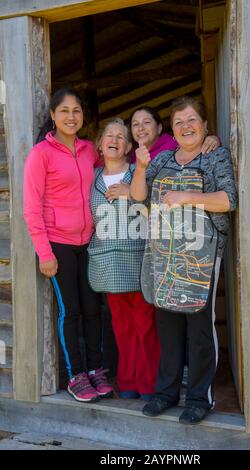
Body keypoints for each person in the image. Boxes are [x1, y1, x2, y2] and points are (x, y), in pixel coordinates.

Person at [130, 96, 238, 425]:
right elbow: (138, 195)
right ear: (172, 131)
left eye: (192, 120)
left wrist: (186, 197)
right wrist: (143, 167)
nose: (186, 126)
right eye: (179, 122)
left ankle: (199, 398)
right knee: (168, 326)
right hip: (165, 254)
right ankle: (166, 393)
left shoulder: (215, 155)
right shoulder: (162, 160)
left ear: (205, 125)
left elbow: (227, 200)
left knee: (200, 327)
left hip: (202, 255)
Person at [23, 88, 113, 403]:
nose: (71, 117)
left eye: (76, 111)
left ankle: (96, 370)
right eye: (64, 111)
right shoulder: (40, 154)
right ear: (52, 115)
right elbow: (31, 208)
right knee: (70, 311)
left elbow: (116, 161)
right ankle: (76, 375)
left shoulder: (90, 150)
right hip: (58, 243)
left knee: (94, 309)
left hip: (89, 242)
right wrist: (44, 253)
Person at [87, 117, 160, 400]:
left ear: (129, 146)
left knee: (146, 325)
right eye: (109, 135)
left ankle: (149, 383)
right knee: (122, 327)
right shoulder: (91, 177)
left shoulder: (139, 171)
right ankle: (128, 382)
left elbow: (157, 207)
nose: (114, 140)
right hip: (108, 263)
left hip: (139, 259)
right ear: (100, 145)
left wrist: (131, 194)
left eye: (121, 136)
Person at [129, 105, 220, 162]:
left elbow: (196, 142)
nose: (140, 128)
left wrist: (213, 138)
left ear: (159, 128)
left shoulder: (174, 144)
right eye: (135, 124)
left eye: (147, 122)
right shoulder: (132, 156)